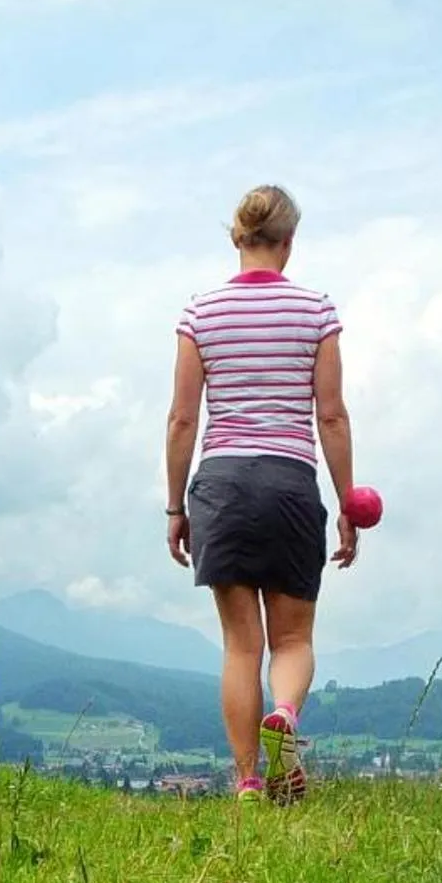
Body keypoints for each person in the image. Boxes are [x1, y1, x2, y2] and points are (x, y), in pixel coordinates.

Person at [165, 184, 360, 805]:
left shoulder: (200, 314)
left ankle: (249, 780)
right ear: (289, 242)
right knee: (294, 640)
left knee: (240, 644)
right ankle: (286, 717)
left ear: (236, 237)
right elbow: (331, 416)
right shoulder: (316, 312)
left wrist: (176, 507)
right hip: (289, 483)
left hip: (220, 484)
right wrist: (349, 503)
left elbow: (181, 420)